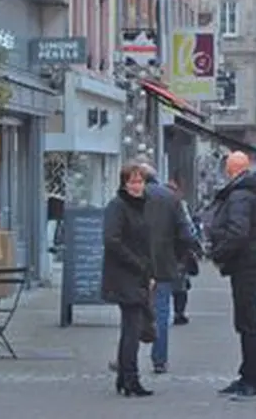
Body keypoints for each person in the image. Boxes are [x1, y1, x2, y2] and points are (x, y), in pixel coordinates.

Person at [206, 152, 256, 399]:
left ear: (230, 169)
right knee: (247, 320)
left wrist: (218, 253)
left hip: (246, 263)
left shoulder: (240, 195)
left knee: (248, 322)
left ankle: (253, 379)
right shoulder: (253, 192)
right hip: (252, 262)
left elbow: (238, 232)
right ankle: (248, 373)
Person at [102, 163, 155, 397]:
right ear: (124, 184)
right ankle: (131, 380)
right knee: (133, 327)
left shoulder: (143, 206)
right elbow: (112, 241)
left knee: (130, 328)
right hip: (124, 274)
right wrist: (137, 264)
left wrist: (150, 270)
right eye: (132, 182)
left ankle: (125, 378)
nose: (136, 186)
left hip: (139, 274)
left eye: (140, 181)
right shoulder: (118, 206)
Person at [137, 164, 197, 374]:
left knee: (132, 311)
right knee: (161, 312)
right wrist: (179, 258)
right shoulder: (171, 198)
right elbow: (186, 235)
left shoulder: (129, 197)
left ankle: (127, 357)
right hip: (163, 264)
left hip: (134, 265)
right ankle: (159, 360)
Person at [167, 181, 201, 326]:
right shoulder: (179, 206)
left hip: (166, 251)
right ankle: (178, 313)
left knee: (174, 284)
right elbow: (188, 230)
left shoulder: (152, 205)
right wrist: (194, 246)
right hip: (178, 251)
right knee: (180, 284)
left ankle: (176, 312)